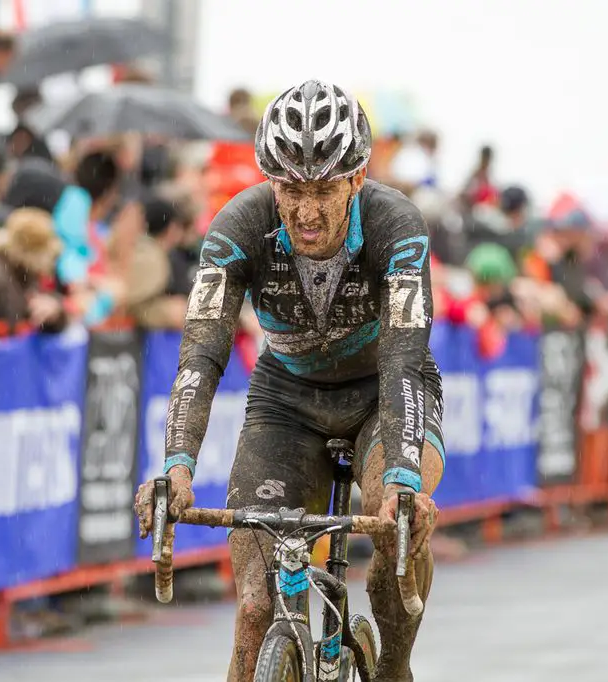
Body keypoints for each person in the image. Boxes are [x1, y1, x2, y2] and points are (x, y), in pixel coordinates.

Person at [133, 80, 444, 682]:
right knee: (254, 607)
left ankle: (394, 668)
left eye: (325, 191)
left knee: (393, 526)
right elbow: (201, 351)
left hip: (385, 395)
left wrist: (405, 480)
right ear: (269, 182)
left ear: (356, 180)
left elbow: (405, 357)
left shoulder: (397, 225)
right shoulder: (238, 227)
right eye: (290, 190)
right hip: (288, 401)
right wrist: (176, 468)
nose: (305, 212)